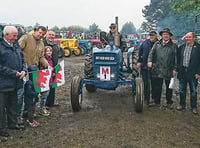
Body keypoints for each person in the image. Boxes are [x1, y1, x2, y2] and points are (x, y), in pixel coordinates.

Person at [0, 26, 26, 137]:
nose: (16, 38)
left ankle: (12, 124)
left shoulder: (16, 45)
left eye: (16, 35)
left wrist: (24, 70)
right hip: (3, 84)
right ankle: (2, 129)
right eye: (14, 35)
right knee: (1, 108)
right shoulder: (1, 47)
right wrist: (13, 73)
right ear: (6, 35)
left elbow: (23, 60)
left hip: (15, 83)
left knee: (13, 105)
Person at [18, 26, 49, 118]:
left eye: (43, 34)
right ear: (35, 31)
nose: (40, 35)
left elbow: (41, 57)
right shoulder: (26, 38)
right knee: (20, 93)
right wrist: (21, 66)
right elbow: (18, 51)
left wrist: (47, 65)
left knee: (31, 92)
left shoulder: (41, 44)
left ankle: (27, 112)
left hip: (34, 71)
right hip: (23, 70)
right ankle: (18, 115)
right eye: (39, 33)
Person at [148, 28, 178, 108]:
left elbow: (176, 58)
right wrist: (149, 61)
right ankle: (156, 101)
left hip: (169, 70)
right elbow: (151, 54)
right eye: (164, 34)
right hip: (158, 69)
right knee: (157, 87)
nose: (166, 36)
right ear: (162, 35)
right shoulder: (156, 44)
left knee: (170, 87)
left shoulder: (174, 46)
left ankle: (169, 102)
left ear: (169, 36)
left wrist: (175, 69)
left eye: (167, 34)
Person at [176, 32, 200, 114]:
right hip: (183, 72)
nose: (188, 39)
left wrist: (198, 73)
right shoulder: (181, 47)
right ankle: (182, 105)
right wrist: (176, 69)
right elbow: (178, 60)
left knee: (193, 91)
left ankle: (193, 107)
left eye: (190, 37)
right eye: (187, 37)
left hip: (193, 73)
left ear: (193, 38)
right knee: (182, 90)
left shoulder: (198, 47)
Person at [137, 31, 158, 105]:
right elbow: (140, 52)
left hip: (155, 67)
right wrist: (139, 61)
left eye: (153, 35)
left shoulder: (158, 43)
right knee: (145, 83)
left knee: (154, 83)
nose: (151, 37)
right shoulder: (145, 43)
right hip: (144, 66)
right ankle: (146, 97)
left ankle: (154, 98)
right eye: (150, 35)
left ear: (156, 36)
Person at [43, 30, 60, 107]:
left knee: (53, 85)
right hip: (45, 67)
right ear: (46, 35)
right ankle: (45, 104)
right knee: (45, 86)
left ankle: (51, 103)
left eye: (53, 35)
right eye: (50, 34)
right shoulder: (43, 44)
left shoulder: (55, 45)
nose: (51, 36)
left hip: (54, 67)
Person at [39, 46, 54, 116]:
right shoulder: (44, 61)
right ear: (44, 52)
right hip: (45, 80)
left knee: (46, 95)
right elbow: (42, 70)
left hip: (49, 79)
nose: (49, 52)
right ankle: (42, 108)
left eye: (50, 51)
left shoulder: (50, 59)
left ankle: (43, 106)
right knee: (44, 95)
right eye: (47, 51)